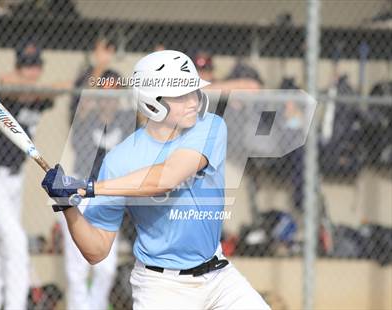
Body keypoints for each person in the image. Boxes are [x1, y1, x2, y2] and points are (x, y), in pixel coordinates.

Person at [41, 50, 270, 309]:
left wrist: (89, 188)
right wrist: (67, 205)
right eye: (181, 96)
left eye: (194, 91)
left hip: (219, 277)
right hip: (162, 289)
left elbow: (167, 177)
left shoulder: (210, 127)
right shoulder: (119, 160)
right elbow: (96, 251)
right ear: (152, 101)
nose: (193, 101)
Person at [0, 41, 59, 310]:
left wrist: (31, 87)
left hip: (15, 180)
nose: (31, 71)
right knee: (16, 242)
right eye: (26, 66)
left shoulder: (39, 97)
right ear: (17, 66)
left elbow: (57, 90)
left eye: (35, 66)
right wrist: (17, 83)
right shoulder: (4, 94)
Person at [62, 68, 132, 310]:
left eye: (114, 93)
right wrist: (99, 67)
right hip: (80, 192)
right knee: (77, 270)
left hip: (107, 196)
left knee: (106, 268)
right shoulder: (85, 117)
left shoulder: (126, 119)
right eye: (104, 92)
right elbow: (79, 98)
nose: (109, 98)